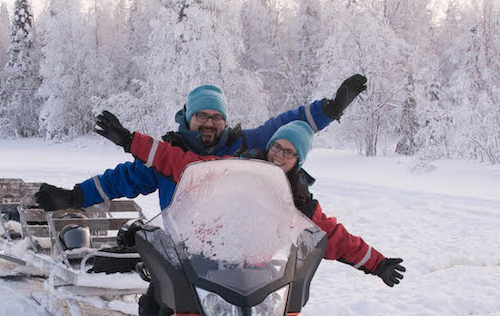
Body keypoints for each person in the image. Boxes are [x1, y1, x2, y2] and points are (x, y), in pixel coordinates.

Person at [95, 117, 406, 316]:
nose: (279, 155)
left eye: (289, 152)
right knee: (159, 312)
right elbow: (180, 162)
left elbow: (334, 236)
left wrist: (377, 263)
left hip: (261, 280)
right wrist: (130, 140)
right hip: (205, 261)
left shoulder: (299, 199)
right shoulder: (234, 168)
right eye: (277, 147)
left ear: (298, 160)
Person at [34, 75, 368, 215]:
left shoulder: (243, 146)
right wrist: (75, 196)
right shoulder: (167, 156)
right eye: (202, 116)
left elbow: (284, 128)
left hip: (237, 254)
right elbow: (121, 180)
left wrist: (330, 109)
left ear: (224, 120)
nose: (209, 123)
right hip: (181, 256)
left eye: (216, 117)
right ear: (188, 118)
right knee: (158, 312)